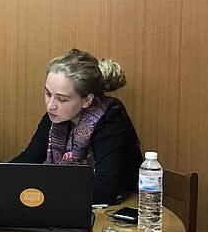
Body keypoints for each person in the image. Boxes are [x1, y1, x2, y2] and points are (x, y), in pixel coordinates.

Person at [10, 48, 143, 205]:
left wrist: (44, 190)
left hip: (121, 210)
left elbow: (105, 190)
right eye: (48, 94)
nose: (50, 105)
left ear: (87, 100)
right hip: (71, 204)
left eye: (62, 99)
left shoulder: (111, 121)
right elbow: (28, 160)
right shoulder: (55, 116)